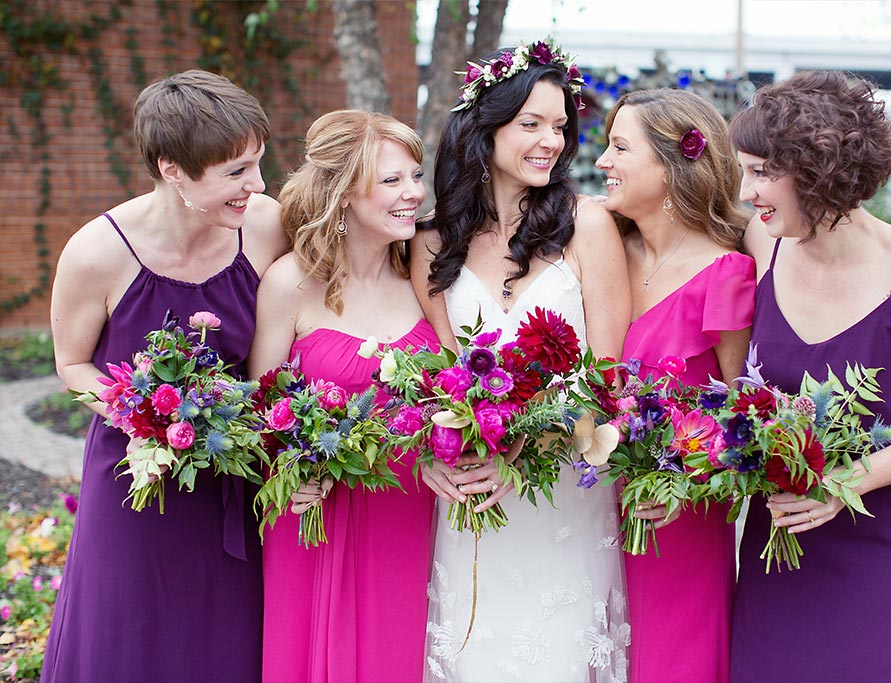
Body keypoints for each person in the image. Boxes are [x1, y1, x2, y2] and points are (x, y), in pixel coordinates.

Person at [728, 71, 891, 682]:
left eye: (761, 171)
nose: (745, 192)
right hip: (780, 537)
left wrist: (842, 482)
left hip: (883, 539)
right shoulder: (762, 248)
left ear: (817, 169)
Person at [42, 70, 287, 682]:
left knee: (224, 638)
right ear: (171, 168)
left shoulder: (265, 225)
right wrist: (145, 411)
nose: (255, 185)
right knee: (127, 635)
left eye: (258, 164)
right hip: (135, 480)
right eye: (235, 171)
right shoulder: (95, 253)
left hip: (235, 473)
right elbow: (72, 365)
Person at [410, 40, 632, 682]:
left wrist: (530, 452)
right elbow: (439, 377)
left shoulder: (587, 225)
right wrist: (437, 452)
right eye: (530, 123)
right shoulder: (430, 239)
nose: (550, 141)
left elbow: (608, 375)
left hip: (567, 484)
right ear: (486, 126)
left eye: (560, 125)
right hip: (475, 491)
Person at [248, 109, 438, 683]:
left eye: (414, 176)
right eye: (391, 180)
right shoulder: (291, 283)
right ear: (344, 193)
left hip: (411, 508)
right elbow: (261, 410)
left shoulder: (426, 278)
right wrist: (288, 469)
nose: (412, 194)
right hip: (317, 512)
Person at [595, 88, 754, 682]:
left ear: (670, 166)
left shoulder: (727, 272)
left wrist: (689, 485)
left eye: (619, 147)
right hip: (585, 504)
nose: (602, 161)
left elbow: (744, 411)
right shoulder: (602, 247)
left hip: (674, 517)